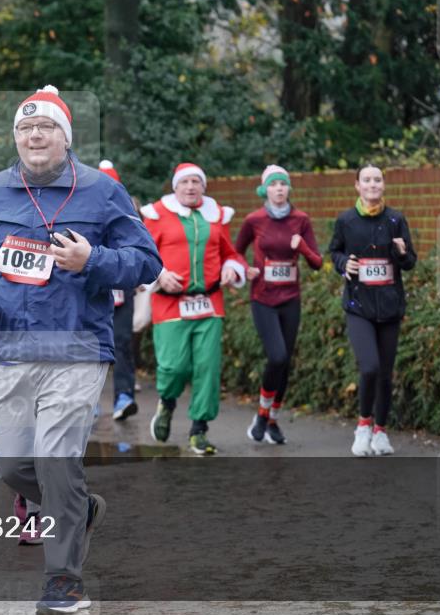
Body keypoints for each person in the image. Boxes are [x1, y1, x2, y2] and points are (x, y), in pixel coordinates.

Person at [0, 85, 161, 614]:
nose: (34, 135)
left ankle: (64, 580)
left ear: (65, 137)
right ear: (15, 138)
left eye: (45, 128)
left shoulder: (102, 191)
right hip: (11, 349)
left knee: (57, 460)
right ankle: (78, 509)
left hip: (78, 346)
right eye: (25, 128)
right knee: (14, 467)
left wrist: (92, 260)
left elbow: (146, 262)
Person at [143, 162, 247, 456]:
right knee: (174, 366)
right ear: (175, 187)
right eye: (185, 182)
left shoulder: (216, 217)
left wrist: (231, 268)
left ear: (203, 186)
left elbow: (232, 253)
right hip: (170, 303)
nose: (190, 187)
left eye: (196, 182)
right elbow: (143, 255)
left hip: (209, 303)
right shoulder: (157, 216)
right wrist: (159, 275)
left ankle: (199, 429)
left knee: (207, 367)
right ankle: (167, 402)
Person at [328, 164, 416, 456]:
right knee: (369, 367)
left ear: (383, 185)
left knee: (386, 374)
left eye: (377, 180)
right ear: (357, 186)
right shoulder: (346, 220)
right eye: (366, 180)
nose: (372, 184)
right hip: (358, 306)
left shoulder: (395, 219)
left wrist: (402, 252)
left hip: (390, 306)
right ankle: (363, 426)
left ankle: (380, 431)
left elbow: (410, 262)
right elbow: (335, 252)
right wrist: (344, 264)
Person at [234, 165, 322, 445]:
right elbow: (234, 253)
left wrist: (302, 248)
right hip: (263, 298)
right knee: (277, 357)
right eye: (274, 184)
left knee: (285, 363)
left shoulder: (301, 219)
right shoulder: (254, 220)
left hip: (290, 299)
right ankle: (262, 415)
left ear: (288, 189)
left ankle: (271, 419)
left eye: (284, 184)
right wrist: (244, 269)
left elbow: (317, 263)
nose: (280, 189)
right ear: (265, 190)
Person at [98, 160, 140, 421]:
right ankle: (85, 400)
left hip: (122, 290)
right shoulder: (79, 209)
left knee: (122, 343)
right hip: (90, 292)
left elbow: (141, 246)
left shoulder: (129, 213)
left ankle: (124, 397)